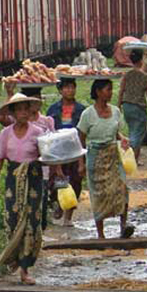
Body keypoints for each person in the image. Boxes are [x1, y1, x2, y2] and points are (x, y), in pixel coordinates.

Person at [0, 93, 49, 285]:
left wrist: (56, 173)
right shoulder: (5, 134)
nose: (23, 113)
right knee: (13, 220)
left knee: (31, 222)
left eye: (26, 109)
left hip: (33, 179)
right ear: (13, 113)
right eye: (19, 110)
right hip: (13, 181)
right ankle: (14, 256)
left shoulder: (38, 132)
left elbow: (47, 156)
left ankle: (24, 268)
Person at [77, 79, 134, 240]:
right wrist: (81, 163)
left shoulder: (115, 111)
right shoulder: (87, 114)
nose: (110, 93)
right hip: (95, 157)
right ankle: (100, 234)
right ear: (98, 92)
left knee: (121, 188)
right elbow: (80, 139)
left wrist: (122, 138)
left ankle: (123, 226)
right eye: (107, 90)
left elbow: (116, 132)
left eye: (111, 89)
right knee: (99, 194)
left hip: (113, 155)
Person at [47, 79, 86, 226]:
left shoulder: (81, 110)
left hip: (75, 151)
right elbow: (49, 133)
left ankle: (68, 217)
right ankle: (58, 204)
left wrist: (82, 161)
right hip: (58, 151)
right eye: (66, 88)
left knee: (75, 182)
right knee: (57, 181)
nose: (70, 91)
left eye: (72, 87)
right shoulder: (53, 110)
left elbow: (83, 135)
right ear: (60, 90)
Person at [118, 49, 147, 164]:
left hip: (127, 106)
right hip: (139, 107)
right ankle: (131, 158)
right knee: (138, 134)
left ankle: (133, 159)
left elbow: (121, 91)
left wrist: (119, 105)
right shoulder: (145, 76)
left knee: (132, 131)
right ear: (141, 60)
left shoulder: (126, 74)